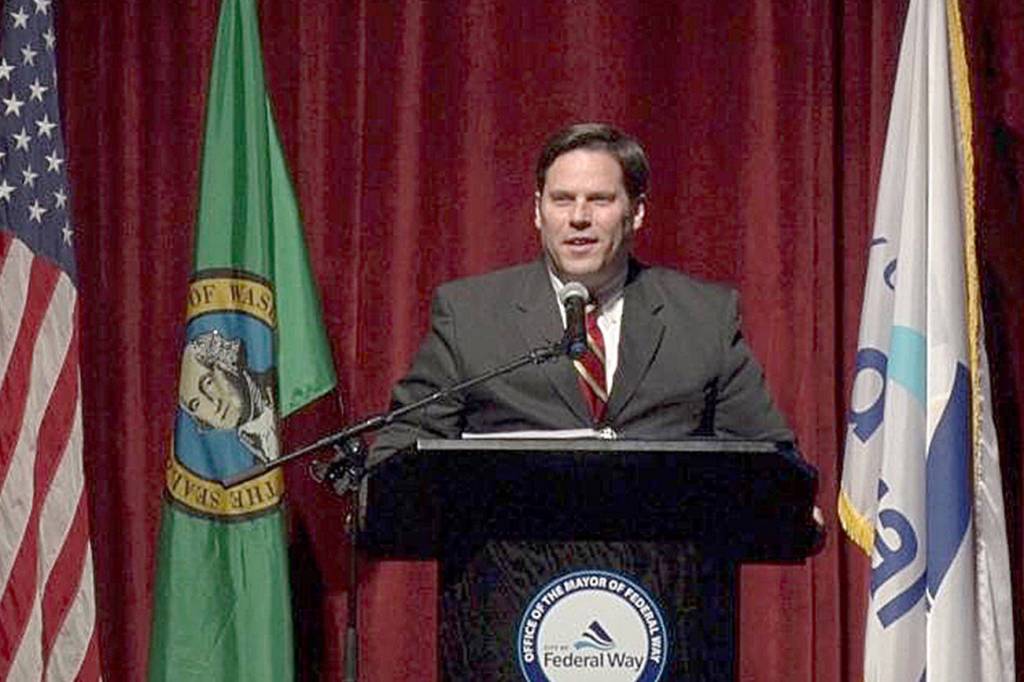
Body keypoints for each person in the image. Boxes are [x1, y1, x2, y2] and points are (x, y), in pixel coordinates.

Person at [369, 122, 791, 466]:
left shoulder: (703, 317)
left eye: (600, 200)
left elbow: (768, 456)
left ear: (636, 212)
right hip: (515, 545)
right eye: (562, 200)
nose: (578, 217)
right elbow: (401, 449)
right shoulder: (470, 316)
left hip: (662, 545)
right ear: (538, 211)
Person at [178, 329, 279, 463]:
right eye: (197, 404)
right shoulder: (257, 458)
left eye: (208, 383)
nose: (213, 403)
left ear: (226, 365)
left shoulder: (283, 386)